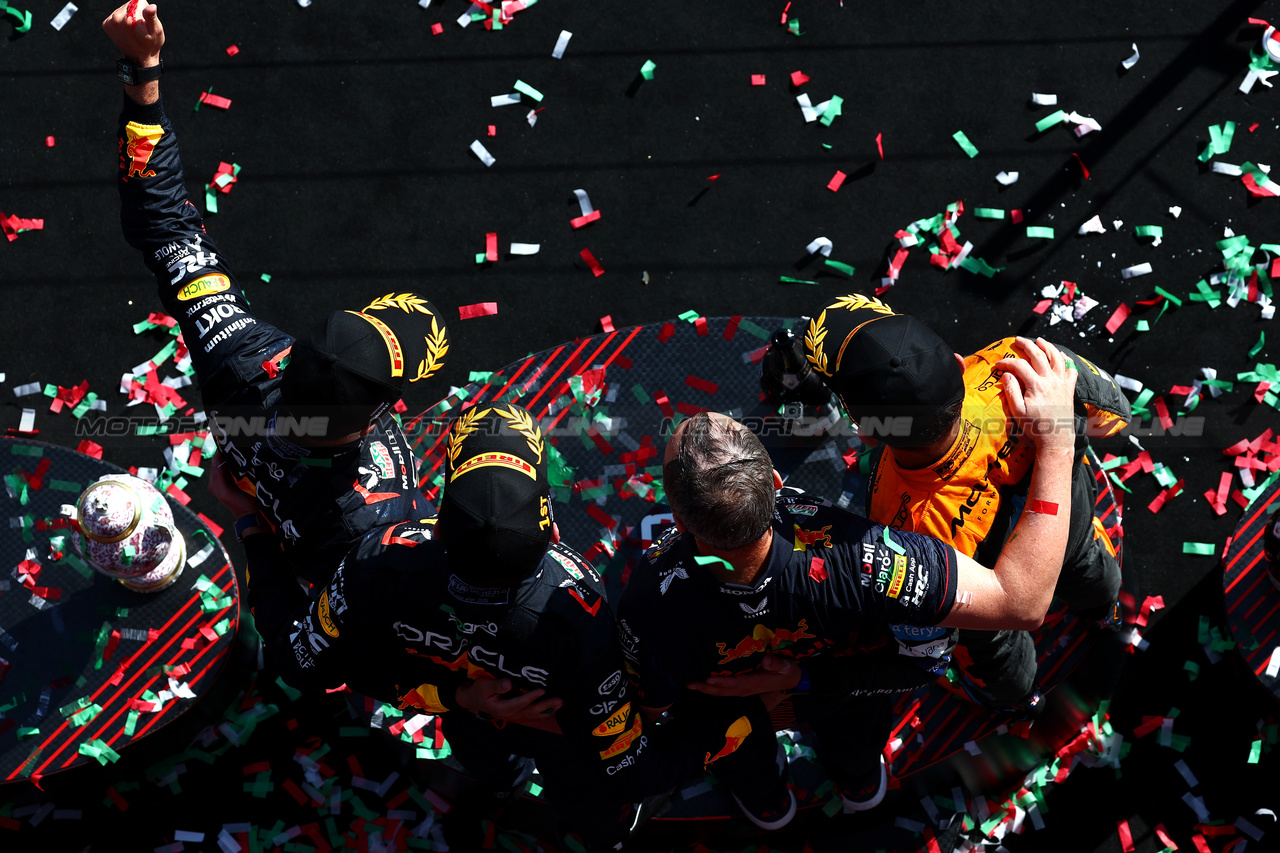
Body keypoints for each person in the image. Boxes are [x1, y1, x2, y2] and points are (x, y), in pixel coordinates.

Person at [211, 403, 770, 850]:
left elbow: (300, 661)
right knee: (596, 811)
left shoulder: (376, 559)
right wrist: (732, 720)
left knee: (498, 770)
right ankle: (600, 834)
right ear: (548, 524)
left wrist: (251, 528)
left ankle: (514, 792)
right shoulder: (578, 604)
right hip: (557, 744)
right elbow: (621, 756)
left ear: (440, 509)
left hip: (470, 725)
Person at [617, 340, 1077, 830]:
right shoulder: (863, 557)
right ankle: (857, 785)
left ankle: (770, 806)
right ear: (776, 483)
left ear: (681, 524)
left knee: (748, 764)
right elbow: (1016, 604)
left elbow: (647, 712)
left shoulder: (647, 598)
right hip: (849, 698)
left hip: (732, 720)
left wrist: (757, 701)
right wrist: (1059, 437)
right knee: (855, 748)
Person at [104, 2, 450, 586]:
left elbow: (163, 223)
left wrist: (143, 73)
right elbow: (323, 635)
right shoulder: (371, 528)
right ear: (375, 420)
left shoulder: (238, 351)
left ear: (293, 356)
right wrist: (250, 526)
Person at [803, 293, 1127, 714]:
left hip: (992, 618)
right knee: (1090, 572)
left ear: (867, 433)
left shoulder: (893, 524)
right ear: (958, 363)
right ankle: (1102, 614)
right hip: (1072, 533)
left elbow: (930, 639)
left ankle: (1019, 701)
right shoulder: (1023, 363)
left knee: (997, 661)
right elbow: (1115, 415)